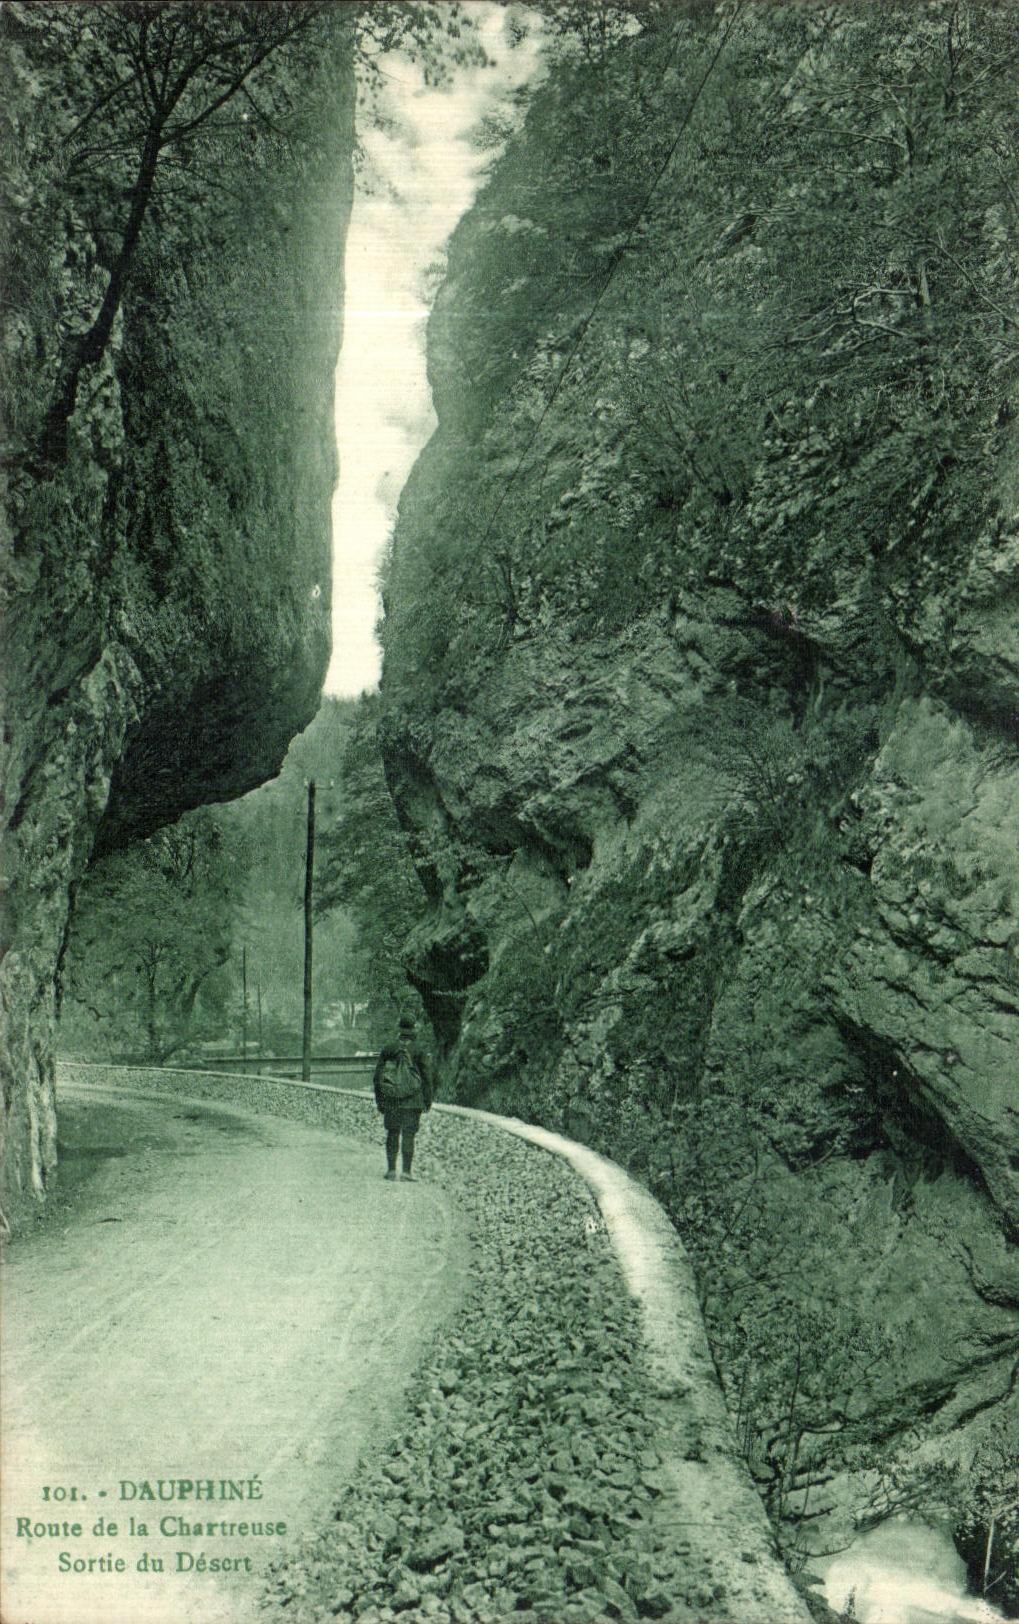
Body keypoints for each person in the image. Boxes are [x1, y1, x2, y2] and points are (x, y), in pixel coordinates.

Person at [373, 1014, 434, 1182]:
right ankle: (406, 1172)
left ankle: (391, 1170)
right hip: (413, 1100)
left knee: (392, 1133)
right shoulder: (419, 1049)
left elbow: (378, 1076)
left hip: (392, 1099)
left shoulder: (389, 1048)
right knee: (409, 1134)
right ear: (413, 1029)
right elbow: (427, 1077)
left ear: (399, 1029)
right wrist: (427, 1100)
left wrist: (380, 1100)